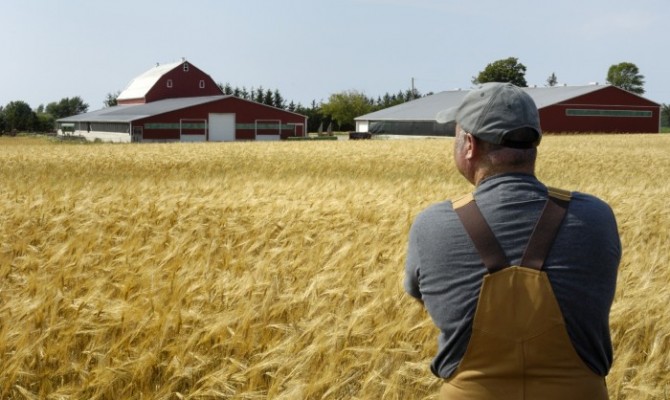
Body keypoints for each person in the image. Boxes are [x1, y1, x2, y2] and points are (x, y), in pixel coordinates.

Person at [404, 82, 621, 399]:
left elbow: (422, 294)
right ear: (533, 141)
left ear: (469, 144)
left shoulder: (432, 225)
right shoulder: (597, 217)